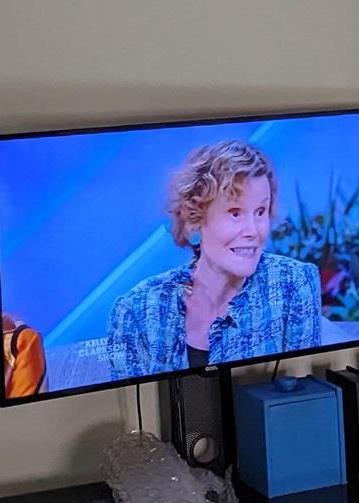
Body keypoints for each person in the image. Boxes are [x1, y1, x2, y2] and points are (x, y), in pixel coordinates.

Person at [107, 138, 322, 380]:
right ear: (196, 218)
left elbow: (301, 394)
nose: (253, 230)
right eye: (235, 213)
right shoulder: (137, 309)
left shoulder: (293, 284)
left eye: (260, 212)